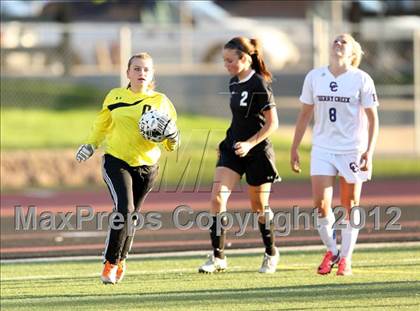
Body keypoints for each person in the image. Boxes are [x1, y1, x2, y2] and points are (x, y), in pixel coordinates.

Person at [76, 52, 179, 284]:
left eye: (146, 69)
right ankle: (110, 263)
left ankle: (122, 259)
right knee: (124, 208)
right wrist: (90, 145)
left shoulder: (161, 101)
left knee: (132, 216)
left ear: (152, 74)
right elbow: (102, 125)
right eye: (137, 69)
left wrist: (172, 138)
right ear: (128, 73)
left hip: (147, 166)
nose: (141, 73)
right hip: (116, 160)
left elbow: (171, 143)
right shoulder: (114, 96)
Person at [290, 34, 379, 276]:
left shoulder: (361, 79)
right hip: (322, 148)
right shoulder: (315, 77)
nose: (338, 43)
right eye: (335, 41)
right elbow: (305, 115)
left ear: (352, 53)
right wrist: (294, 147)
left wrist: (369, 152)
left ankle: (346, 259)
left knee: (350, 205)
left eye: (344, 42)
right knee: (320, 204)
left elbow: (373, 119)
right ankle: (333, 250)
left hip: (352, 149)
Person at [198, 37, 280, 274]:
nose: (226, 65)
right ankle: (218, 257)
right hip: (233, 149)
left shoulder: (259, 84)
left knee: (259, 207)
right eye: (224, 60)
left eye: (230, 60)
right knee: (216, 200)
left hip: (257, 152)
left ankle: (271, 252)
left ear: (245, 58)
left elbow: (273, 124)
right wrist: (232, 142)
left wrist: (250, 143)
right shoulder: (234, 82)